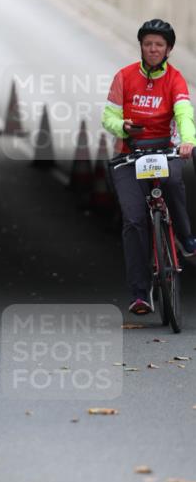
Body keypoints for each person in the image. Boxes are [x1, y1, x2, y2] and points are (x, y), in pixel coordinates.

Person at [102, 19, 196, 315]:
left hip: (165, 151)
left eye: (159, 45)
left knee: (173, 183)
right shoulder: (124, 77)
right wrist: (123, 126)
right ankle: (140, 293)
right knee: (133, 220)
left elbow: (183, 112)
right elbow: (108, 117)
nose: (153, 49)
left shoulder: (175, 79)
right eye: (148, 44)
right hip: (129, 156)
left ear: (168, 49)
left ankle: (185, 237)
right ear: (141, 47)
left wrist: (188, 141)